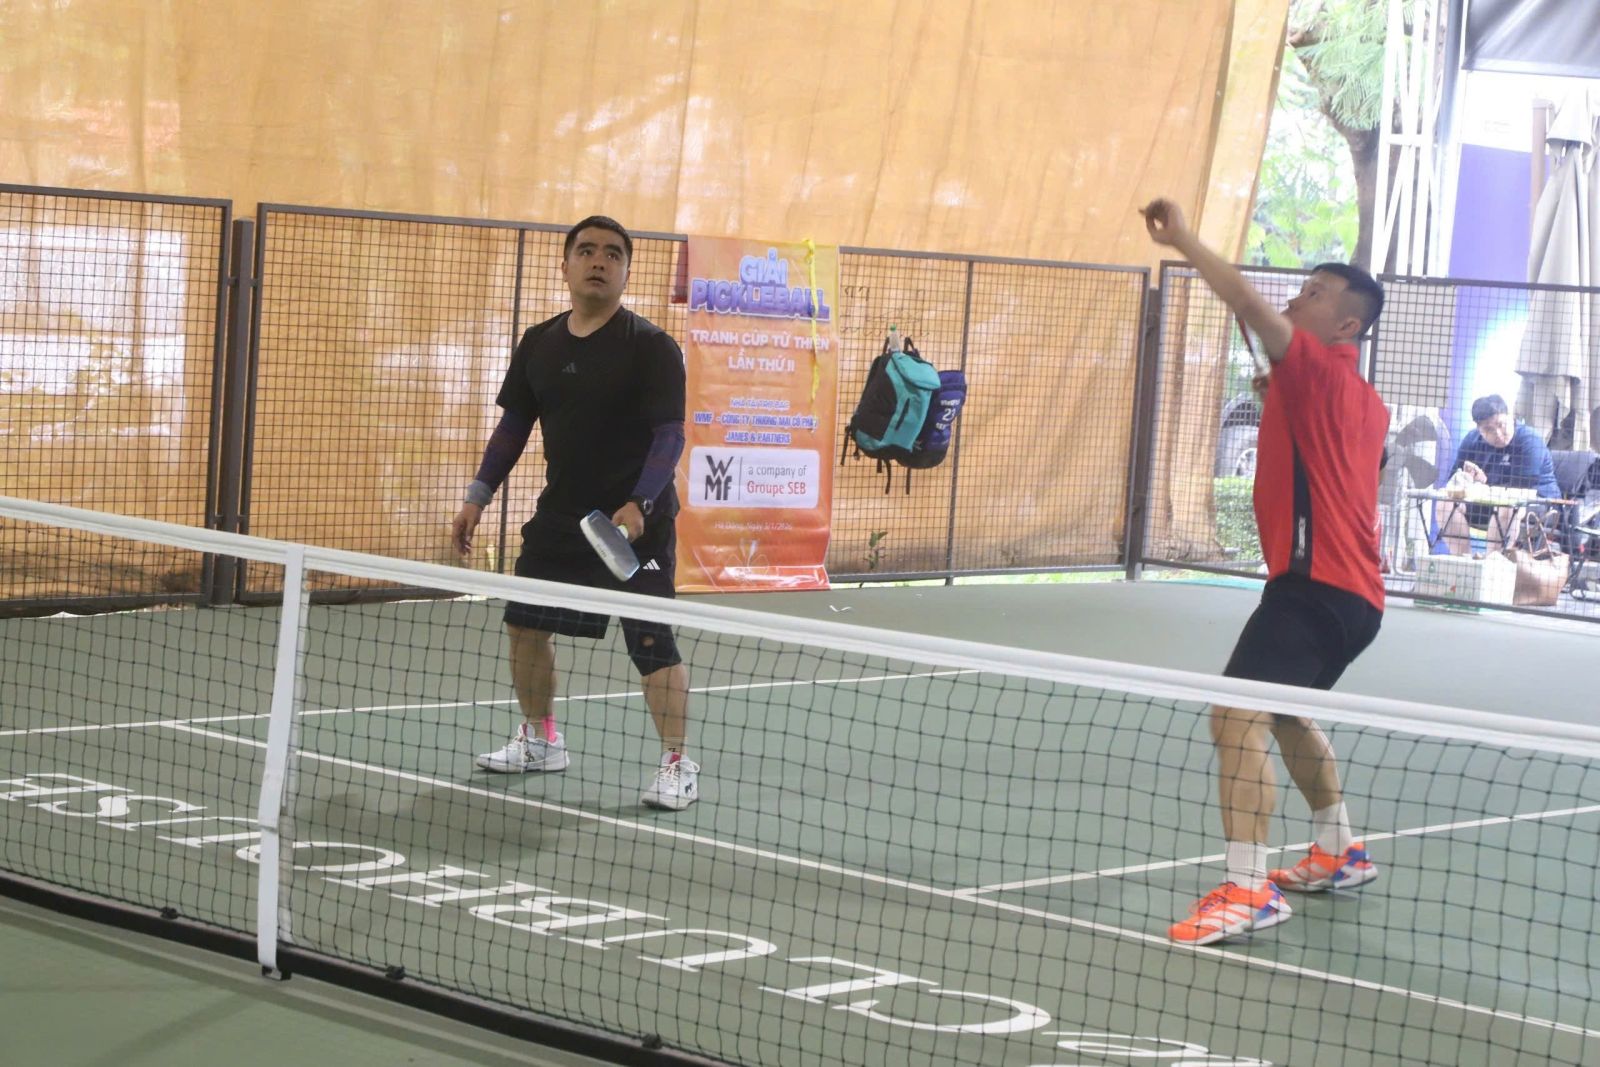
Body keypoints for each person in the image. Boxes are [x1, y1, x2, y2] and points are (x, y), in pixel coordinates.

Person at [1142, 198, 1387, 946]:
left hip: (1313, 591)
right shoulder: (1361, 399)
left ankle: (1249, 889)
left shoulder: (1313, 369)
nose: (1297, 297)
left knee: (1234, 716)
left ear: (1347, 326)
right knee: (1281, 711)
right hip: (1354, 600)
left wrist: (1184, 240)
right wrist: (1281, 401)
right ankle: (1338, 849)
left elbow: (1246, 302)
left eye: (1316, 293)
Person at [451, 215, 699, 811]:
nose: (598, 261)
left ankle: (677, 764)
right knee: (524, 625)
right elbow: (513, 426)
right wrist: (478, 495)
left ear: (626, 271)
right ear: (565, 266)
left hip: (636, 524)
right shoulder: (539, 343)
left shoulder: (652, 348)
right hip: (563, 516)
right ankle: (542, 740)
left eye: (613, 254)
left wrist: (640, 502)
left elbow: (670, 435)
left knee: (649, 637)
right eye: (586, 251)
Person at [1436, 394, 1561, 556]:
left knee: (1508, 506)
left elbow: (1519, 489)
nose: (1498, 433)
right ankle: (1463, 561)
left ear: (1511, 417)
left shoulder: (1530, 441)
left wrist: (1483, 484)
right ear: (1479, 429)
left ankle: (1493, 564)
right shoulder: (1471, 441)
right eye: (1488, 429)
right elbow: (1452, 484)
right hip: (1487, 501)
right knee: (1445, 504)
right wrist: (1466, 480)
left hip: (1537, 503)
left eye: (1501, 425)